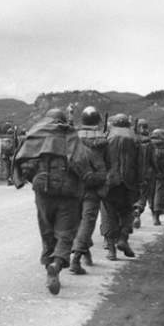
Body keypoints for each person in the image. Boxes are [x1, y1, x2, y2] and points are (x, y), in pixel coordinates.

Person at [12, 109, 103, 295]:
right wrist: (88, 178)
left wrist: (33, 179)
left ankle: (50, 272)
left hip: (43, 191)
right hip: (68, 192)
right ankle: (57, 263)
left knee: (47, 232)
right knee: (66, 234)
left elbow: (22, 161)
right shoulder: (69, 134)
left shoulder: (36, 134)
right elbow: (81, 162)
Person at [69, 106, 109, 274]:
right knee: (88, 221)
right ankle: (77, 258)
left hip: (74, 185)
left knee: (78, 221)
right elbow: (109, 164)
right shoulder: (103, 139)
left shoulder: (72, 137)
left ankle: (85, 251)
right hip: (93, 185)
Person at [101, 114, 142, 260]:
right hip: (130, 181)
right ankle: (123, 238)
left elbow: (102, 159)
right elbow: (141, 162)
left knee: (108, 213)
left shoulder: (108, 136)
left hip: (110, 180)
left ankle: (111, 250)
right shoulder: (135, 137)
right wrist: (140, 181)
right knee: (127, 211)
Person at [132, 119, 156, 229]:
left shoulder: (131, 140)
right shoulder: (149, 142)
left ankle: (133, 211)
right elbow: (153, 160)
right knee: (143, 194)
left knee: (132, 194)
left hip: (131, 173)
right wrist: (156, 170)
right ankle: (138, 210)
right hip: (146, 173)